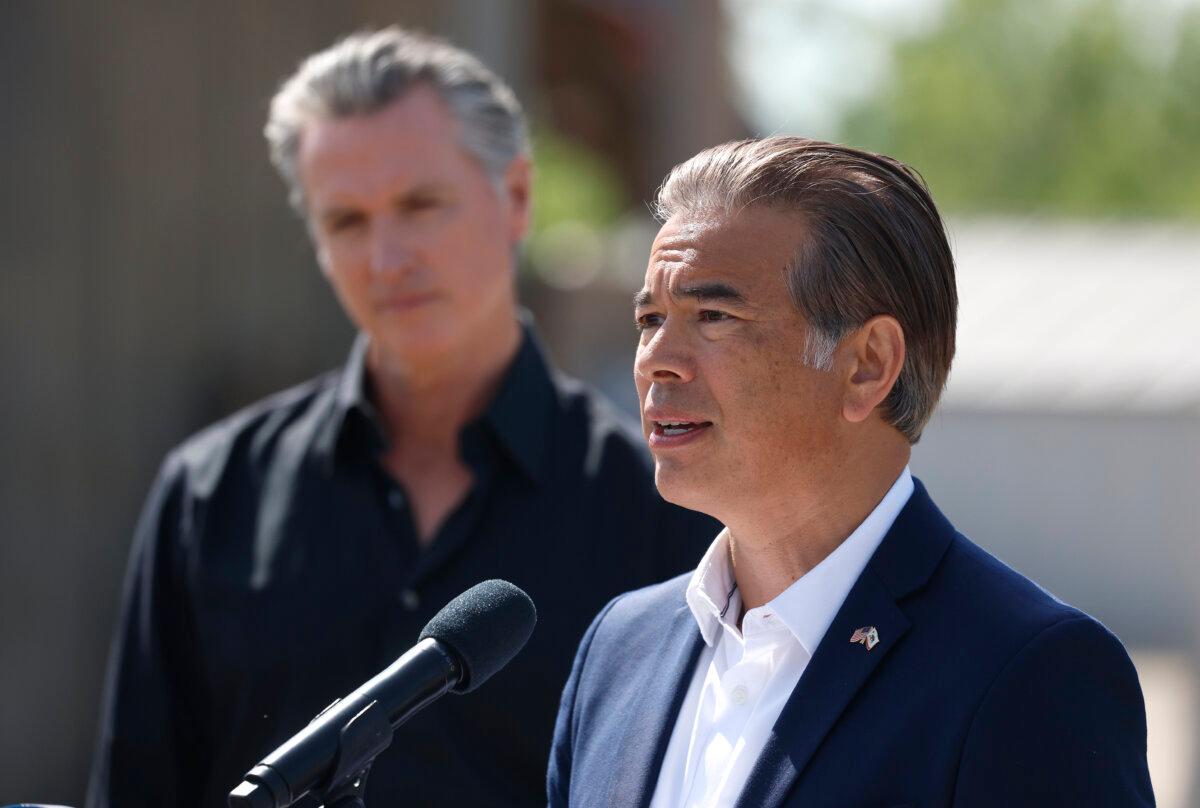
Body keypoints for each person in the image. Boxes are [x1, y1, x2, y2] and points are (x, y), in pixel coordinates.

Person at [86, 27, 716, 808]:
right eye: (346, 220)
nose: (387, 258)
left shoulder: (663, 506)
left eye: (421, 205)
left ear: (516, 198)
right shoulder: (211, 494)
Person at [547, 137, 1155, 807]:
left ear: (867, 364)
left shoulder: (1028, 674)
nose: (656, 359)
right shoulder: (618, 649)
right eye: (650, 317)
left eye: (713, 316)